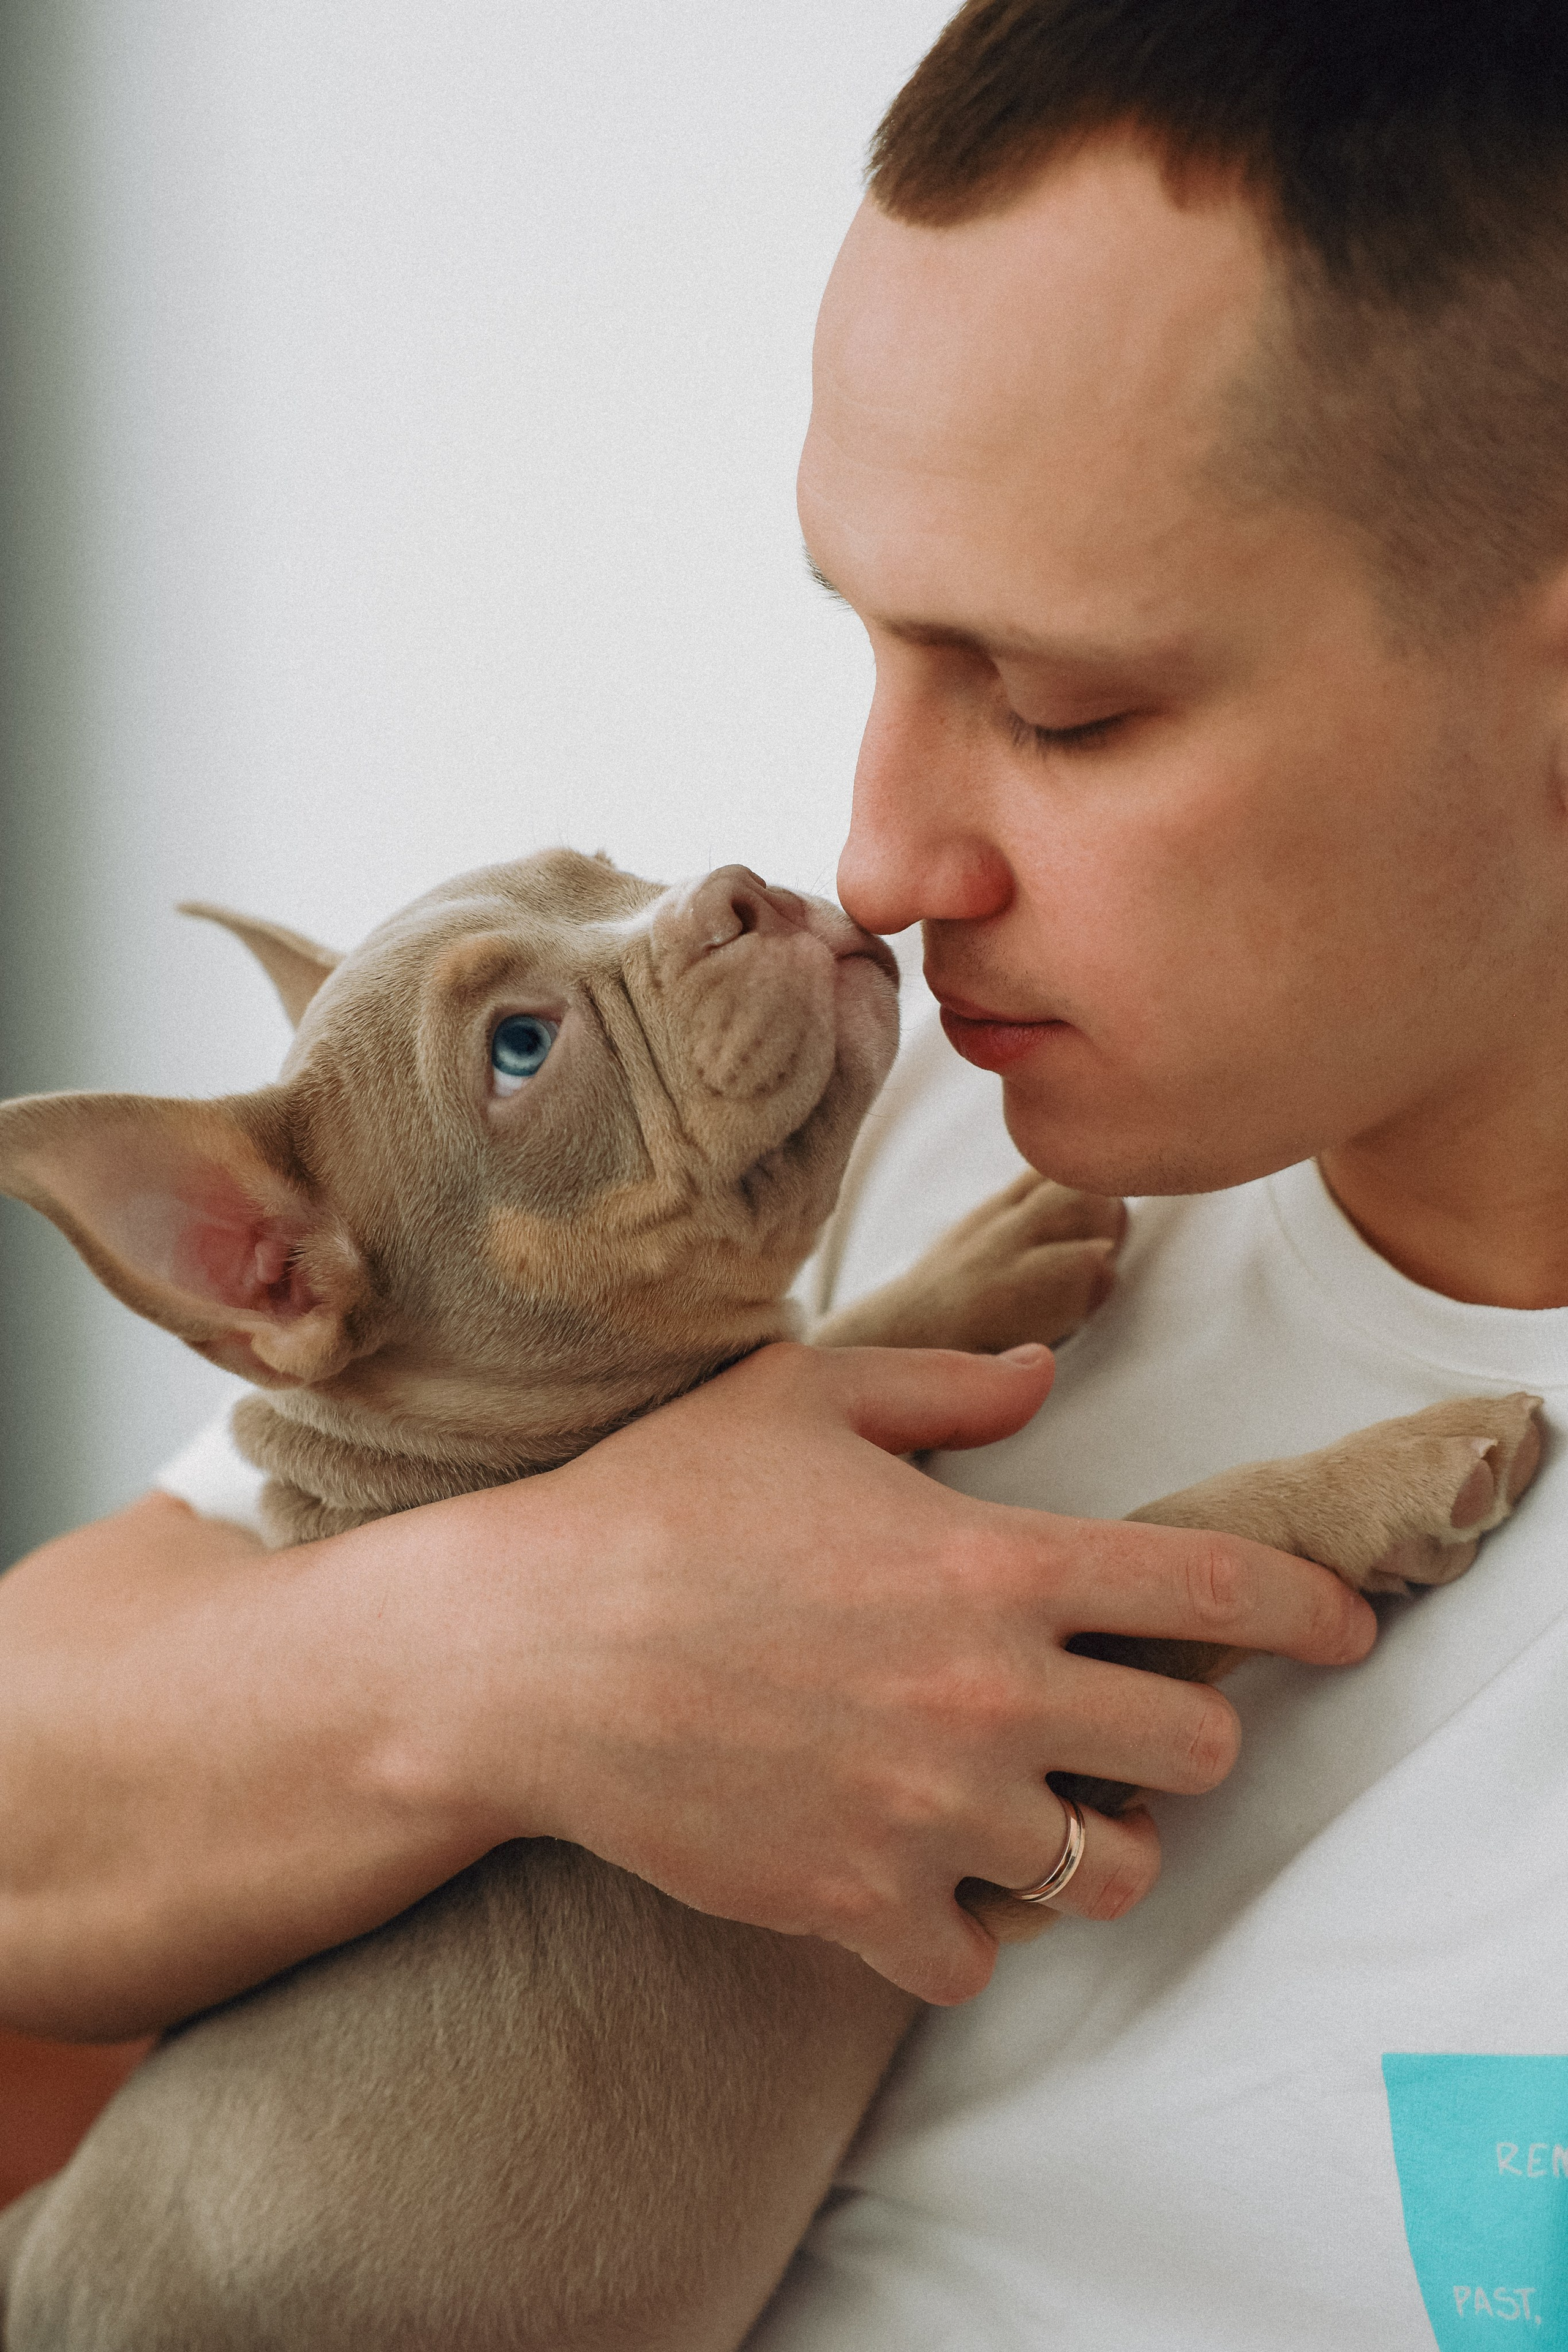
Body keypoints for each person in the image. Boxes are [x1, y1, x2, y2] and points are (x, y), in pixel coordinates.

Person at [4, 0, 1567, 2341]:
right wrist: (528, 1647)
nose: (873, 857)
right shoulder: (852, 1135)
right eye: (857, 631)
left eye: (1060, 708)